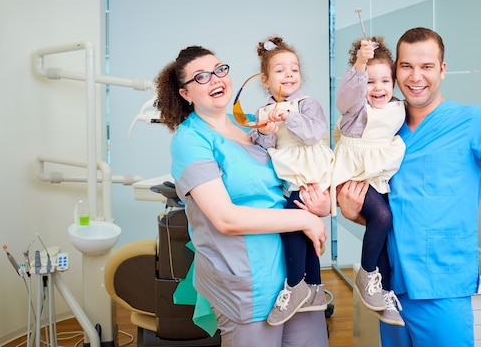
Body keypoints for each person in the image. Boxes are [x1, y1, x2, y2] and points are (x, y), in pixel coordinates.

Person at [336, 27, 481, 347]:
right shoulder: (384, 131)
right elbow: (392, 207)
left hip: (443, 292)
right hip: (390, 293)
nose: (416, 77)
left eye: (427, 66)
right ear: (395, 70)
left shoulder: (471, 122)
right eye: (406, 67)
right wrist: (353, 213)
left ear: (442, 70)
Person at [154, 45, 330, 347]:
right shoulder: (191, 140)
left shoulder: (255, 122)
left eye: (220, 69)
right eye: (201, 77)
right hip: (249, 284)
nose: (215, 79)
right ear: (185, 94)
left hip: (295, 276)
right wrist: (304, 219)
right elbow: (225, 219)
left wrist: (320, 204)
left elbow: (302, 174)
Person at [248, 36, 335, 326]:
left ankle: (295, 284)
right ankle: (314, 288)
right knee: (303, 233)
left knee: (291, 224)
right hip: (288, 176)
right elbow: (262, 152)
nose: (289, 74)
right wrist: (268, 130)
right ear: (265, 79)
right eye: (280, 70)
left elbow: (313, 134)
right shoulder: (262, 113)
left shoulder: (307, 104)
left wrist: (289, 116)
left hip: (310, 174)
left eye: (294, 69)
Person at [331, 36, 405, 326]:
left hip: (377, 176)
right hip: (352, 175)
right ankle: (366, 274)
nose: (378, 89)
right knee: (383, 217)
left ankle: (384, 294)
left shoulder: (398, 107)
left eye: (385, 81)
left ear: (394, 83)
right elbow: (345, 97)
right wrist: (360, 63)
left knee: (385, 231)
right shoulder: (356, 110)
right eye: (369, 82)